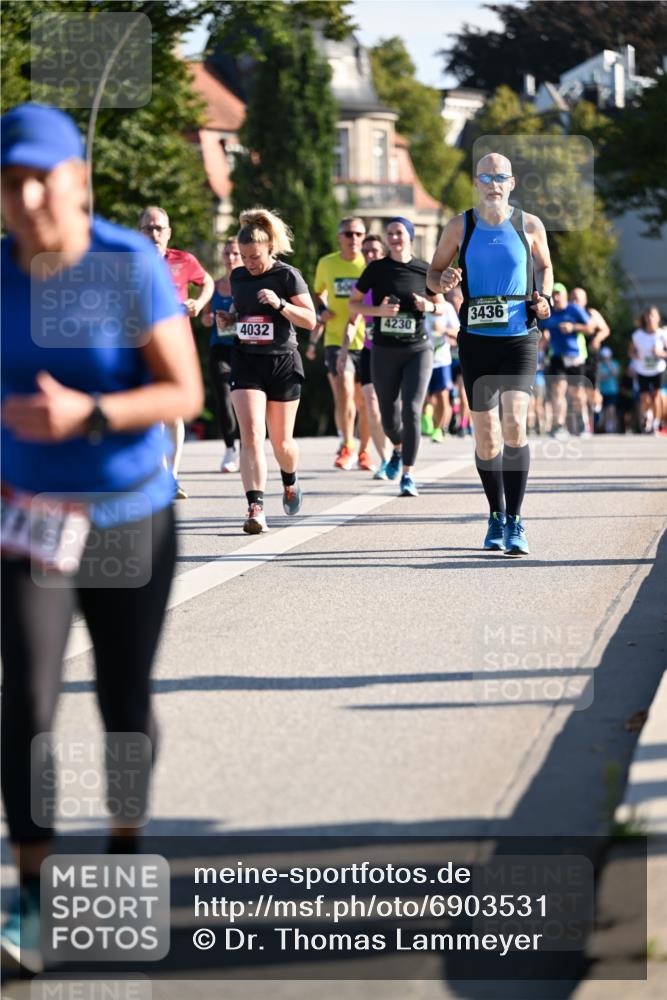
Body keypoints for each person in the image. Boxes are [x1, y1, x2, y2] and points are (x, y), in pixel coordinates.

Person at [0, 103, 203, 972]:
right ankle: (36, 898)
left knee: (122, 700)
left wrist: (90, 415)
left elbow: (183, 392)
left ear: (80, 181)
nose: (31, 195)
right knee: (28, 706)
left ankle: (126, 853)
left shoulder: (128, 263)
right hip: (27, 525)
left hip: (130, 518)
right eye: (11, 182)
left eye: (45, 176)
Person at [427, 153, 553, 555]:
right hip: (477, 339)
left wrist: (545, 296)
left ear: (512, 183)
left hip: (519, 337)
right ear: (476, 183)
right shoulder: (459, 226)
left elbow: (546, 267)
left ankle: (515, 520)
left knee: (515, 423)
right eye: (486, 176)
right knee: (486, 436)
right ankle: (495, 514)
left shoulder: (529, 224)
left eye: (501, 177)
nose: (493, 183)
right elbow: (433, 275)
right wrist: (442, 279)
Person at [219, 208, 316, 533]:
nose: (249, 263)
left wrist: (280, 304)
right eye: (244, 257)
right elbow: (241, 308)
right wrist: (231, 319)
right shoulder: (238, 276)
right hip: (246, 359)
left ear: (270, 248)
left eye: (255, 257)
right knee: (251, 436)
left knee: (282, 444)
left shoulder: (287, 276)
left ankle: (289, 480)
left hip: (282, 363)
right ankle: (255, 507)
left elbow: (310, 320)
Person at [350, 217, 445, 497]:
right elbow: (353, 303)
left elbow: (440, 307)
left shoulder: (424, 269)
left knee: (412, 410)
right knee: (389, 417)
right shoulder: (376, 270)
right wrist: (378, 312)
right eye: (390, 233)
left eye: (399, 233)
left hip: (418, 349)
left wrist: (427, 305)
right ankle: (398, 449)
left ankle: (408, 474)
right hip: (384, 349)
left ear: (410, 237)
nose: (394, 237)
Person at [139, 205, 213, 497]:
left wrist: (198, 302)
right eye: (149, 228)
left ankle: (172, 475)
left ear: (168, 233)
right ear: (140, 232)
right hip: (140, 349)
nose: (154, 234)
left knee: (173, 415)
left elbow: (206, 281)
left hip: (178, 348)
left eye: (160, 228)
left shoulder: (183, 261)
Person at [308, 217, 372, 471]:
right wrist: (321, 310)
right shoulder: (327, 263)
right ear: (339, 237)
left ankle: (365, 450)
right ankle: (347, 445)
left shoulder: (368, 264)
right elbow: (317, 292)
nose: (353, 239)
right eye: (348, 234)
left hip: (366, 339)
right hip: (336, 338)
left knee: (364, 401)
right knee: (344, 391)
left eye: (358, 234)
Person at [337, 233, 390, 477]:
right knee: (370, 403)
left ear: (383, 253)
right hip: (370, 350)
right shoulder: (362, 285)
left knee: (393, 407)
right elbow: (352, 320)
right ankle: (386, 459)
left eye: (374, 251)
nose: (369, 255)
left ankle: (397, 451)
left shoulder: (394, 279)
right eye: (366, 251)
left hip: (397, 352)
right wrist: (344, 349)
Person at [201, 238, 242, 472]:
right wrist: (208, 319)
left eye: (235, 253)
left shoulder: (247, 284)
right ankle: (230, 449)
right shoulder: (214, 286)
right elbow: (205, 317)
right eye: (227, 254)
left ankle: (248, 444)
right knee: (224, 398)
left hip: (244, 347)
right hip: (220, 348)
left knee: (245, 398)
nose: (231, 258)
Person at [538, 282, 595, 441]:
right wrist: (544, 338)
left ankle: (583, 424)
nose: (556, 298)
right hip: (557, 356)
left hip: (575, 355)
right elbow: (542, 331)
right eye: (554, 295)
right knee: (558, 390)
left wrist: (573, 327)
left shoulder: (574, 309)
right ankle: (559, 425)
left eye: (559, 294)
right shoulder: (549, 313)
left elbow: (590, 328)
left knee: (576, 393)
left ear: (565, 296)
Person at [570, 286, 610, 434]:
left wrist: (597, 339)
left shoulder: (591, 313)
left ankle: (596, 408)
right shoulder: (569, 314)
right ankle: (584, 423)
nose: (575, 300)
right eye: (572, 297)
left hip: (591, 356)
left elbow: (605, 329)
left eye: (578, 298)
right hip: (577, 356)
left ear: (585, 301)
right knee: (579, 391)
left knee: (593, 392)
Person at [424, 294, 460, 443]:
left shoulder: (447, 308)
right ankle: (426, 420)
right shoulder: (422, 305)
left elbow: (458, 332)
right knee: (424, 397)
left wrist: (443, 329)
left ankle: (439, 429)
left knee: (442, 396)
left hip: (441, 358)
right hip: (422, 357)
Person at [630, 306, 667, 433]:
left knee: (657, 396)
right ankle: (648, 416)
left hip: (658, 369)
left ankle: (656, 424)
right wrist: (635, 355)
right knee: (645, 398)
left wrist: (660, 353)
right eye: (648, 315)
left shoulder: (662, 334)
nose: (650, 318)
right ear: (644, 318)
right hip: (643, 370)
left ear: (658, 318)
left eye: (653, 315)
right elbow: (631, 351)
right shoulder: (637, 335)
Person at [598, 345, 620, 433]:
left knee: (611, 408)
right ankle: (605, 426)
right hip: (602, 390)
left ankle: (611, 426)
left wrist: (609, 364)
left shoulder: (614, 363)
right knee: (603, 410)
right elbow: (600, 377)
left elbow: (615, 374)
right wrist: (608, 374)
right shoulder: (599, 365)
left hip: (612, 390)